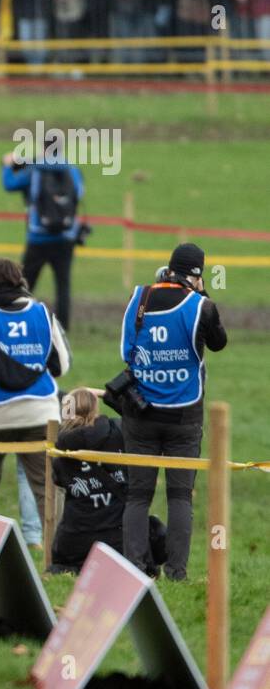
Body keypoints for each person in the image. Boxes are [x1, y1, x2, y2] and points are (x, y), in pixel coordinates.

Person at [117, 243, 227, 581]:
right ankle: (176, 571)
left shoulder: (140, 297)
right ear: (196, 274)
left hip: (140, 412)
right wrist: (205, 295)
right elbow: (219, 343)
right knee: (180, 496)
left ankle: (134, 568)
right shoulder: (201, 306)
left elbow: (126, 351)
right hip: (184, 415)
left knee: (137, 495)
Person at [0, 258, 71, 528]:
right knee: (45, 484)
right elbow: (62, 365)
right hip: (40, 412)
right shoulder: (44, 313)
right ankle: (56, 553)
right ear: (19, 279)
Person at [51, 387, 168, 574]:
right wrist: (106, 395)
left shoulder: (60, 452)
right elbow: (145, 418)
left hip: (75, 548)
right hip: (121, 543)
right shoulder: (119, 432)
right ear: (95, 409)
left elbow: (59, 480)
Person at [2, 134, 85, 330]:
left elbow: (9, 184)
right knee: (63, 285)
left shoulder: (34, 170)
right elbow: (79, 194)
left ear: (43, 147)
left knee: (25, 283)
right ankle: (63, 328)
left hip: (38, 237)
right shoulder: (72, 170)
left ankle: (18, 320)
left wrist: (6, 165)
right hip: (65, 237)